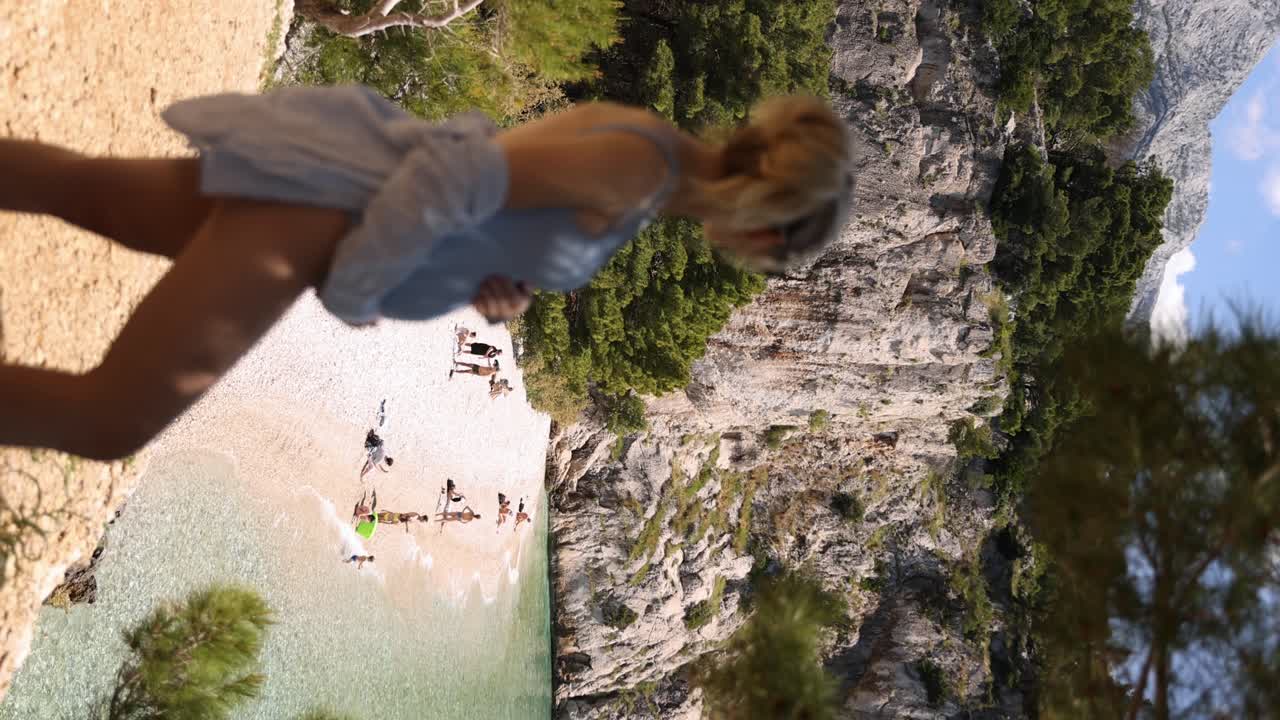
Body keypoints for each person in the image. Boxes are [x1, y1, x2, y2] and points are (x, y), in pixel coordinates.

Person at [0, 84, 852, 460]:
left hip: (323, 196)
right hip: (321, 220)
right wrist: (357, 290)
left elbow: (487, 199)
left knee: (84, 192)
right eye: (774, 256)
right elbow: (453, 177)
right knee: (106, 420)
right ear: (769, 232)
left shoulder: (651, 167)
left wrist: (500, 286)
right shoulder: (640, 173)